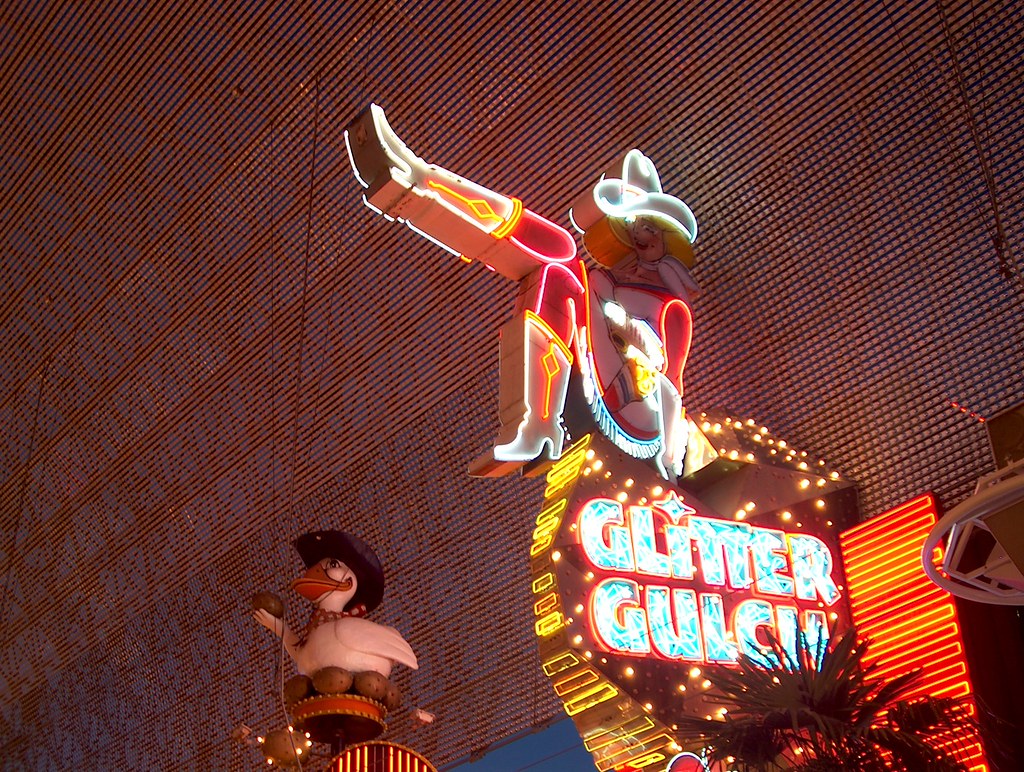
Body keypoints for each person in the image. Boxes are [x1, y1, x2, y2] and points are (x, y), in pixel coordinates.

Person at [345, 105, 699, 480]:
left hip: (637, 414)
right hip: (603, 376)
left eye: (652, 228)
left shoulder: (672, 307)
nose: (644, 236)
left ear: (668, 240)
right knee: (555, 267)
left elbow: (669, 381)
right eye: (635, 226)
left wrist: (670, 466)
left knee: (561, 253)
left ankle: (418, 181)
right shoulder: (606, 282)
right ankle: (537, 427)